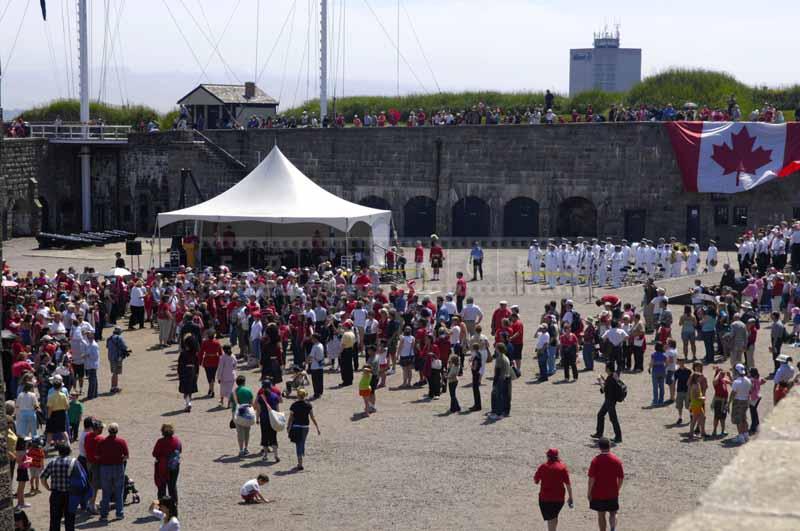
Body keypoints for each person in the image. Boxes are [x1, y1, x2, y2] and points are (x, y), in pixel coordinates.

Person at [587, 437, 624, 531]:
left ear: (599, 447)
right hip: (612, 492)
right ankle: (612, 528)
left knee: (601, 515)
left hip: (598, 493)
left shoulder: (595, 461)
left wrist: (589, 492)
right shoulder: (616, 460)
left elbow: (591, 478)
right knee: (613, 512)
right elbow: (621, 477)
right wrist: (617, 489)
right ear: (610, 446)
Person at [41, 443, 78, 531]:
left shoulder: (52, 462)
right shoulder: (73, 463)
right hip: (70, 495)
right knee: (69, 519)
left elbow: (43, 477)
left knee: (54, 519)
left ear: (59, 452)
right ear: (68, 452)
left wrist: (47, 487)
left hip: (56, 494)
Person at [534, 448, 573, 531]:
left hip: (545, 498)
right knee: (554, 516)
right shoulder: (562, 467)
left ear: (548, 456)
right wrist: (570, 497)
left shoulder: (543, 467)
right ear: (557, 456)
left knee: (551, 518)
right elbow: (568, 484)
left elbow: (536, 481)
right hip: (559, 499)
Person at [97, 422, 129, 521]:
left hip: (105, 468)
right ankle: (119, 513)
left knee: (106, 492)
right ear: (117, 431)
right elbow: (126, 456)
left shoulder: (102, 442)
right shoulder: (121, 442)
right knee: (119, 491)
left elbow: (97, 456)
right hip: (118, 467)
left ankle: (104, 515)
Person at [287, 389, 321, 470]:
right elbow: (312, 417)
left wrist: (288, 427)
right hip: (305, 427)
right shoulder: (308, 405)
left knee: (298, 444)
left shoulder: (294, 405)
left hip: (296, 426)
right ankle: (301, 458)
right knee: (302, 442)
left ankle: (300, 463)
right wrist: (317, 427)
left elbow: (291, 418)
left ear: (298, 395)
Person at [592, 365, 623, 443]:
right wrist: (603, 379)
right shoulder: (614, 375)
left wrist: (599, 381)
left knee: (613, 419)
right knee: (600, 415)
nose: (605, 369)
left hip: (610, 401)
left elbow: (604, 389)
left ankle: (618, 437)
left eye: (606, 368)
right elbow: (609, 385)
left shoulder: (610, 378)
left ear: (608, 369)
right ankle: (599, 433)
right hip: (610, 400)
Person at [152, 424, 182, 504]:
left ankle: (162, 506)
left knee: (162, 487)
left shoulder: (160, 442)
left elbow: (154, 454)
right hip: (174, 466)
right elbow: (180, 450)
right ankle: (174, 505)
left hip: (163, 467)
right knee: (172, 486)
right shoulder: (177, 440)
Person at [254, 378, 282, 462]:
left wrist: (257, 418)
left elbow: (258, 409)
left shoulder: (260, 397)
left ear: (262, 387)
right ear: (270, 386)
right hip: (273, 419)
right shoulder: (275, 396)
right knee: (273, 437)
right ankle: (276, 455)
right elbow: (277, 408)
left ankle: (265, 455)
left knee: (265, 436)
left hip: (264, 419)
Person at [231, 375, 255, 457]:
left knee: (239, 432)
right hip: (247, 412)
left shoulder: (234, 391)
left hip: (237, 413)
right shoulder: (248, 390)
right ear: (244, 382)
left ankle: (241, 449)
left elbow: (232, 404)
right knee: (247, 431)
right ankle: (246, 448)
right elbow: (252, 403)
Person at [729, 363, 752, 444]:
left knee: (738, 420)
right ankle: (746, 435)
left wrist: (728, 403)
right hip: (745, 400)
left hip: (738, 401)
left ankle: (741, 436)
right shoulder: (748, 380)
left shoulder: (736, 382)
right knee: (744, 418)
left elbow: (733, 393)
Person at [177, 331, 200, 412]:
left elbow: (180, 364)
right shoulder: (195, 354)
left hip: (185, 371)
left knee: (185, 389)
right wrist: (197, 373)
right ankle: (189, 402)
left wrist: (179, 373)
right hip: (193, 371)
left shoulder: (183, 354)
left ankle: (188, 403)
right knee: (190, 389)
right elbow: (197, 364)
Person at [489, 343, 513, 420]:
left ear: (498, 349)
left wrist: (494, 382)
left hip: (501, 379)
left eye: (496, 348)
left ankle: (498, 414)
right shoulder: (506, 357)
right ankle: (505, 412)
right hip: (507, 378)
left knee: (498, 396)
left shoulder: (499, 358)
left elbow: (498, 371)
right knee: (506, 396)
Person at [106, 326, 129, 394]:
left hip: (110, 357)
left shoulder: (109, 338)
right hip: (117, 358)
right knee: (115, 373)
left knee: (114, 372)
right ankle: (113, 387)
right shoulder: (119, 338)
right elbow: (124, 346)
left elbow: (107, 347)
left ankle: (115, 386)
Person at [199, 331, 222, 397]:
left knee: (209, 376)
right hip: (215, 360)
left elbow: (201, 352)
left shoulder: (205, 343)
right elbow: (220, 353)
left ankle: (212, 390)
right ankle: (211, 388)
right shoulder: (217, 342)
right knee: (212, 375)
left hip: (207, 360)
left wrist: (200, 361)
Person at [748, 367, 766, 435]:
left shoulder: (751, 380)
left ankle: (754, 427)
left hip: (753, 398)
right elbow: (764, 380)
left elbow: (751, 388)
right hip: (758, 396)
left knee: (753, 413)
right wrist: (758, 383)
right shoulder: (757, 378)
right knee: (754, 412)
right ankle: (756, 425)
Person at [307, 333, 325, 399]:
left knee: (315, 381)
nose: (311, 340)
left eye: (312, 338)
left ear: (315, 339)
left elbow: (311, 356)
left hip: (315, 366)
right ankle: (320, 392)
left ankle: (316, 394)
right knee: (320, 380)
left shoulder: (315, 346)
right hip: (320, 365)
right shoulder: (321, 345)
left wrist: (306, 361)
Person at [674, 358, 692, 425]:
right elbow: (674, 381)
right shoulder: (677, 371)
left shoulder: (688, 371)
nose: (680, 363)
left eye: (681, 361)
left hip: (687, 390)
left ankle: (691, 415)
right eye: (679, 362)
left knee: (688, 405)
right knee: (679, 405)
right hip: (680, 390)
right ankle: (680, 417)